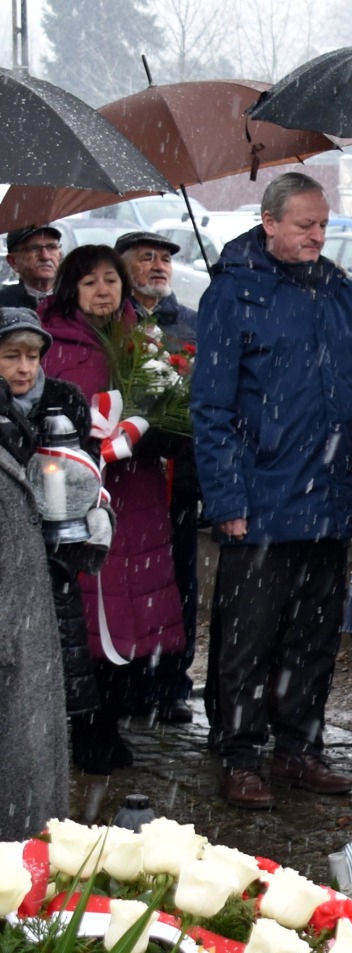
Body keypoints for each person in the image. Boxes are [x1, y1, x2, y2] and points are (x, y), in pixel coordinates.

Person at [191, 172, 352, 810]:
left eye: (324, 225)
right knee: (249, 636)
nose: (317, 236)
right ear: (269, 222)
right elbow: (209, 409)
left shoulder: (342, 292)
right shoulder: (233, 293)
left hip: (328, 496)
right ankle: (240, 754)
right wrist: (229, 501)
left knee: (314, 637)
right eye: (304, 225)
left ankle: (300, 747)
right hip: (262, 499)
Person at [40, 245, 186, 776]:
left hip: (138, 496)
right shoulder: (53, 344)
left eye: (111, 280)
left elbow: (164, 401)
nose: (104, 291)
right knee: (87, 613)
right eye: (90, 283)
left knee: (132, 610)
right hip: (80, 499)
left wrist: (151, 431)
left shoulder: (140, 339)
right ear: (70, 292)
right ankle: (88, 727)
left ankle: (117, 714)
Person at [0, 304, 102, 817]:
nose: (23, 368)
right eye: (11, 356)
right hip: (9, 564)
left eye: (32, 356)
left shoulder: (63, 401)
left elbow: (86, 468)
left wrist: (90, 509)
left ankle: (43, 802)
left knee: (54, 675)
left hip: (53, 561)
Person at [116, 229, 203, 728]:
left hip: (181, 478)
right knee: (131, 578)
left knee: (180, 583)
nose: (158, 266)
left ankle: (173, 680)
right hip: (131, 477)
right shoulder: (115, 325)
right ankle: (128, 676)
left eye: (165, 258)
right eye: (146, 258)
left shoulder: (189, 324)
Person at [0, 226, 62, 311]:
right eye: (34, 248)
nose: (45, 256)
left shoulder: (78, 297)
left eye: (51, 247)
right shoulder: (3, 303)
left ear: (60, 255)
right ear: (13, 261)